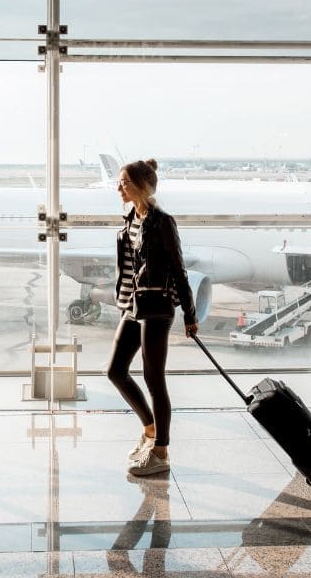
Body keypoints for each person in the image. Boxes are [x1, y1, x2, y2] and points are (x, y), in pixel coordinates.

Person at [108, 158, 198, 477]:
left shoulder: (162, 222)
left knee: (153, 378)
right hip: (135, 306)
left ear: (142, 187)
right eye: (119, 182)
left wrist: (190, 313)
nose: (119, 187)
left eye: (125, 183)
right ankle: (149, 430)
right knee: (116, 371)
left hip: (158, 307)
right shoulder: (130, 221)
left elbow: (178, 268)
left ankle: (160, 451)